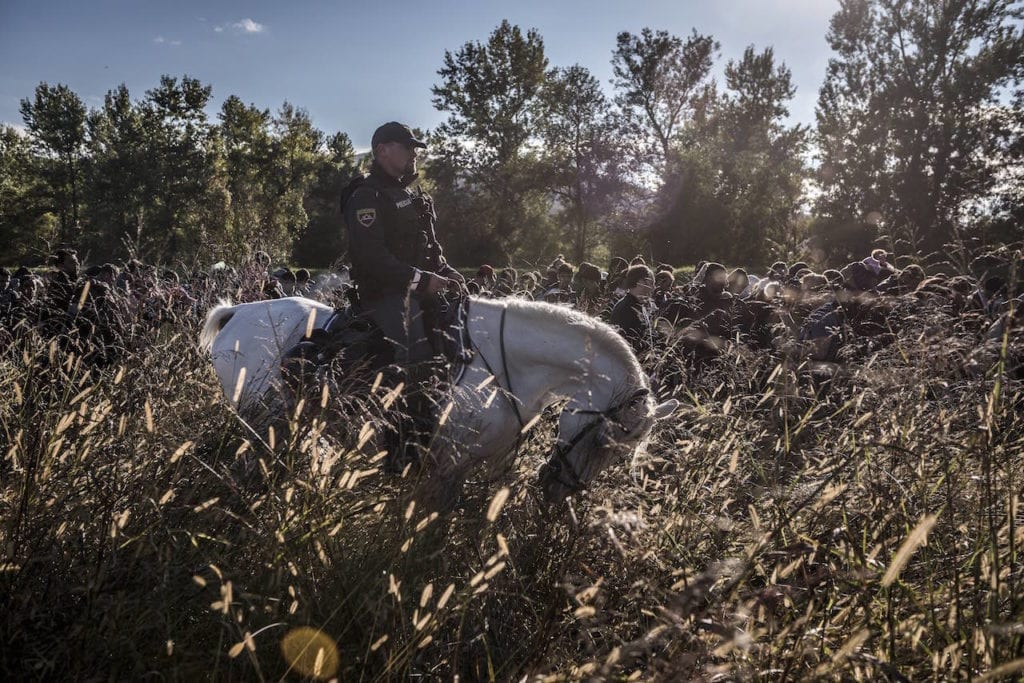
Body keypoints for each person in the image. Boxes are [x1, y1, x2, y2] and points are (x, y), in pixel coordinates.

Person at [341, 121, 465, 469]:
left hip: (418, 291)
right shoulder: (367, 195)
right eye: (407, 147)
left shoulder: (411, 194)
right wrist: (421, 281)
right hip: (384, 296)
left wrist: (445, 271)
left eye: (415, 148)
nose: (415, 153)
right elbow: (372, 257)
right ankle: (405, 458)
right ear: (382, 151)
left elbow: (430, 249)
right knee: (417, 358)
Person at [610, 264, 656, 355]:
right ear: (640, 282)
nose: (654, 288)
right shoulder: (624, 308)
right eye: (651, 283)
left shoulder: (640, 305)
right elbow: (625, 343)